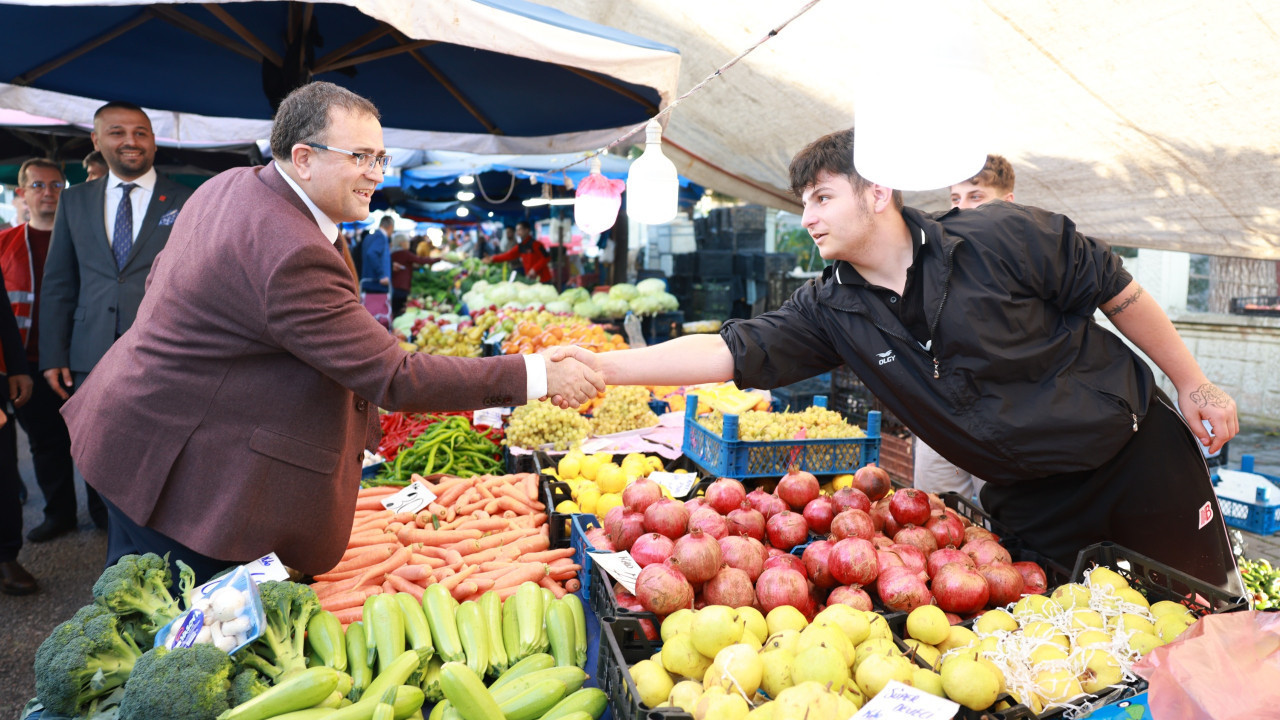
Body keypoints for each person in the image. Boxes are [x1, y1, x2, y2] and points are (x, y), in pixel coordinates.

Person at [569, 128, 1243, 593]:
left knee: (1198, 621)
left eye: (822, 197)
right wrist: (605, 367)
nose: (808, 216)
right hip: (1032, 503)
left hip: (1133, 462)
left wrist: (1195, 384)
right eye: (804, 202)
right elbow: (728, 350)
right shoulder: (831, 308)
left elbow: (1118, 290)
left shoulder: (1000, 236)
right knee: (1073, 652)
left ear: (878, 192)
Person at [59, 81, 603, 582]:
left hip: (135, 436)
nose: (377, 173)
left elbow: (166, 281)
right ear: (303, 158)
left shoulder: (232, 185)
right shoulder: (288, 250)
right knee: (183, 636)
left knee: (134, 607)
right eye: (360, 158)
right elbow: (394, 377)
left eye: (380, 157)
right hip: (184, 478)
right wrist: (539, 372)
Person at [40, 102, 194, 531]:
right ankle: (110, 525)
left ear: (154, 140)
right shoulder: (74, 200)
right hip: (90, 348)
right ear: (96, 140)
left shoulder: (185, 198)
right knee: (96, 444)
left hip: (166, 349)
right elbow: (58, 282)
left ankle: (159, 525)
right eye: (117, 132)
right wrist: (53, 354)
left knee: (161, 443)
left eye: (141, 132)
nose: (130, 141)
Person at [913, 154, 1016, 505]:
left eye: (976, 196)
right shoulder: (939, 254)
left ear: (1008, 201)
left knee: (998, 520)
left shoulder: (1030, 257)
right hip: (941, 412)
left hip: (1001, 416)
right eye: (956, 199)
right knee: (934, 513)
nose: (963, 208)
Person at [0, 160, 78, 544]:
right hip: (24, 365)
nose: (48, 191)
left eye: (56, 184)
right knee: (45, 443)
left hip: (76, 359)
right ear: (22, 193)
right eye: (38, 185)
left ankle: (102, 515)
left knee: (92, 439)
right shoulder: (4, 244)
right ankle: (59, 513)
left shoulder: (82, 239)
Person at [487, 221, 552, 283]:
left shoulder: (537, 244)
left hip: (543, 279)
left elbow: (546, 258)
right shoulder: (520, 246)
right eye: (517, 230)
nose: (518, 233)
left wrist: (534, 269)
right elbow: (508, 255)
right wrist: (493, 258)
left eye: (520, 230)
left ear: (527, 230)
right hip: (531, 280)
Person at [390, 233, 431, 318]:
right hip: (403, 287)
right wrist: (440, 258)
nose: (409, 243)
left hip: (393, 286)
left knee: (395, 311)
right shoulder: (405, 253)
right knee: (400, 311)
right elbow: (420, 260)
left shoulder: (392, 253)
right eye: (407, 242)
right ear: (402, 243)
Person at [362, 215, 393, 294]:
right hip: (377, 284)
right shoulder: (381, 236)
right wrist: (382, 275)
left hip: (367, 282)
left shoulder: (369, 237)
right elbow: (371, 253)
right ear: (390, 227)